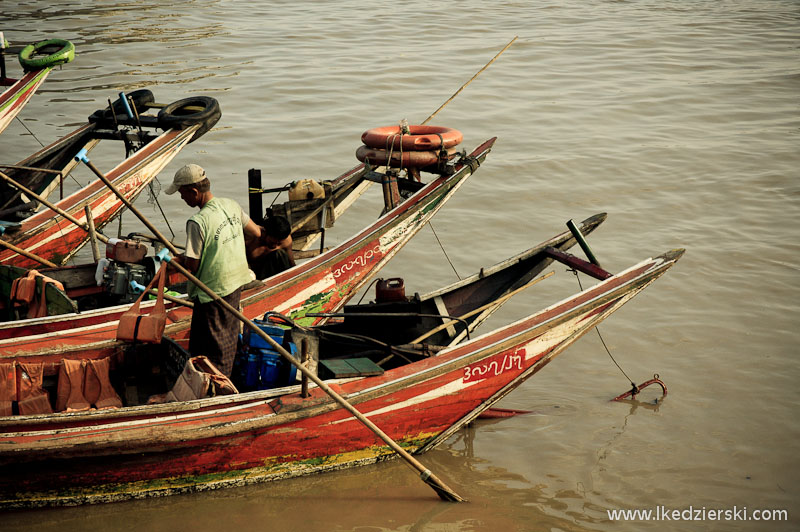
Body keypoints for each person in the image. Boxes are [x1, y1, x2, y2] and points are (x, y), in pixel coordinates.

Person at [165, 164, 262, 376]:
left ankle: (220, 385)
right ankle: (200, 376)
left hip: (214, 290)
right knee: (207, 338)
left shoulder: (197, 222)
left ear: (194, 192)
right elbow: (255, 232)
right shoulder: (231, 205)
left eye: (183, 194)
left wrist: (175, 260)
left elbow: (193, 266)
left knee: (218, 344)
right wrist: (230, 246)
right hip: (236, 280)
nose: (182, 199)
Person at [246, 214, 296, 280]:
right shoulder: (252, 238)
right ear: (265, 232)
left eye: (279, 244)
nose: (274, 246)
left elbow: (291, 264)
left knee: (280, 254)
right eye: (272, 242)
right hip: (252, 276)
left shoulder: (287, 240)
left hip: (273, 276)